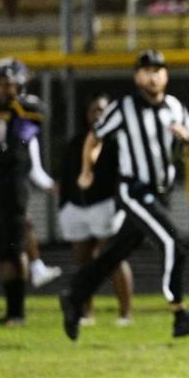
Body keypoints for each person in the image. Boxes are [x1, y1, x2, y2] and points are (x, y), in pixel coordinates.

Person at [60, 49, 189, 341]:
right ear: (136, 76)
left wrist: (188, 140)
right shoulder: (124, 108)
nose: (153, 76)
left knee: (116, 252)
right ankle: (179, 313)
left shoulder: (176, 107)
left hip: (161, 194)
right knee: (173, 242)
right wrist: (86, 169)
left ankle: (74, 295)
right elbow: (95, 136)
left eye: (158, 70)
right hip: (134, 191)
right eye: (146, 70)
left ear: (165, 75)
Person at [0, 58, 57, 325]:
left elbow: (34, 122)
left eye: (11, 83)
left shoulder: (25, 107)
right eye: (2, 83)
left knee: (15, 246)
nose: (6, 89)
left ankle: (18, 311)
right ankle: (12, 310)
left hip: (14, 184)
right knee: (2, 249)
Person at [58, 93, 134, 327]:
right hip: (78, 208)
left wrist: (120, 204)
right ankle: (87, 313)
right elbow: (67, 176)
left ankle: (125, 313)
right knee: (85, 262)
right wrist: (65, 204)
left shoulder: (120, 142)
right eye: (94, 110)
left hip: (106, 206)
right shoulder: (77, 141)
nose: (98, 115)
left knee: (112, 258)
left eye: (103, 110)